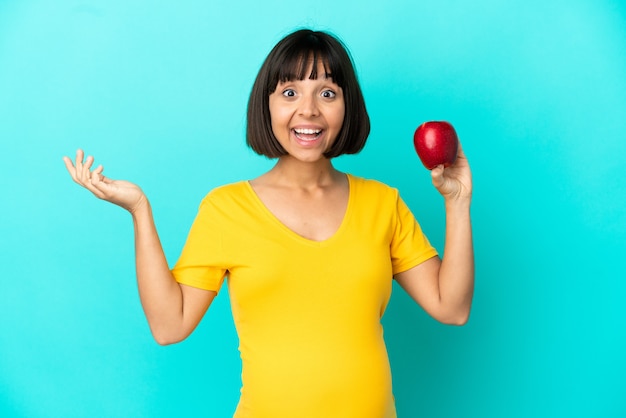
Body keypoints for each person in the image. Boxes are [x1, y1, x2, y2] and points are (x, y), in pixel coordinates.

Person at [63, 29, 473, 418]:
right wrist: (139, 209)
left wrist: (457, 203)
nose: (308, 110)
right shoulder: (226, 209)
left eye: (327, 93)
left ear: (348, 107)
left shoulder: (384, 203)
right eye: (290, 92)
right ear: (268, 105)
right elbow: (170, 326)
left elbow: (451, 307)